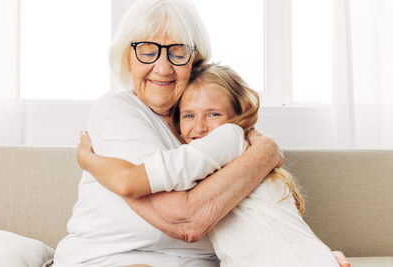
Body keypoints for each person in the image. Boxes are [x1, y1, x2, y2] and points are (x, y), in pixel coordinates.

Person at [54, 0, 350, 266]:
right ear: (127, 58)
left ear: (196, 61)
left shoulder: (207, 124)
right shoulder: (117, 109)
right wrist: (264, 153)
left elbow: (261, 203)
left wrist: (313, 252)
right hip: (113, 258)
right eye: (147, 51)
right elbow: (185, 220)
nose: (162, 67)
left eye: (178, 51)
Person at [77, 63, 344, 267]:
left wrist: (89, 161)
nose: (200, 127)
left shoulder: (229, 138)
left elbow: (133, 181)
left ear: (236, 116)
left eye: (213, 114)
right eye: (189, 115)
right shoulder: (241, 162)